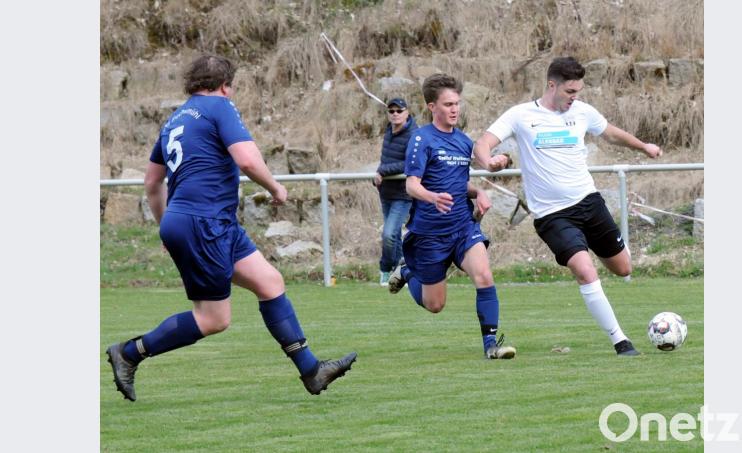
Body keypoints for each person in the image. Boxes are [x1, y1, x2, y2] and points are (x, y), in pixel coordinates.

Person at [105, 55, 357, 402]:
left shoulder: (174, 120)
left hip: (207, 221)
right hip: (204, 221)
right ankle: (129, 353)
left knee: (270, 282)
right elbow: (247, 159)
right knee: (213, 319)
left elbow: (151, 183)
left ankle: (312, 371)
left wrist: (168, 226)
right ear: (225, 85)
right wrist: (275, 188)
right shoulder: (219, 107)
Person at [473, 56, 663, 356]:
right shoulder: (520, 115)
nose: (575, 98)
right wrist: (489, 162)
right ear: (552, 85)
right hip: (552, 215)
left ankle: (595, 247)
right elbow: (482, 144)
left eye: (578, 92)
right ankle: (620, 341)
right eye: (570, 92)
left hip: (589, 202)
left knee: (623, 267)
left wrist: (644, 146)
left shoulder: (582, 112)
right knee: (585, 271)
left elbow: (611, 133)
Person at [387, 73, 516, 359]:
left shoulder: (463, 141)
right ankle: (409, 271)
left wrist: (478, 193)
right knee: (435, 305)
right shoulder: (421, 139)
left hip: (462, 226)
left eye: (457, 103)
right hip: (430, 233)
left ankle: (491, 345)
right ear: (432, 106)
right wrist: (432, 197)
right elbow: (411, 184)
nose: (454, 109)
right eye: (448, 104)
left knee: (483, 275)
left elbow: (458, 181)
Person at [373, 98, 417, 286]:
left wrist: (382, 171)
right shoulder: (388, 131)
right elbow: (386, 159)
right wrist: (378, 174)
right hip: (386, 192)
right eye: (391, 111)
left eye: (399, 111)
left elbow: (409, 163)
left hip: (403, 193)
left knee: (389, 234)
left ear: (407, 112)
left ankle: (385, 267)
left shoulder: (414, 135)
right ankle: (401, 273)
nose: (395, 114)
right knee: (395, 236)